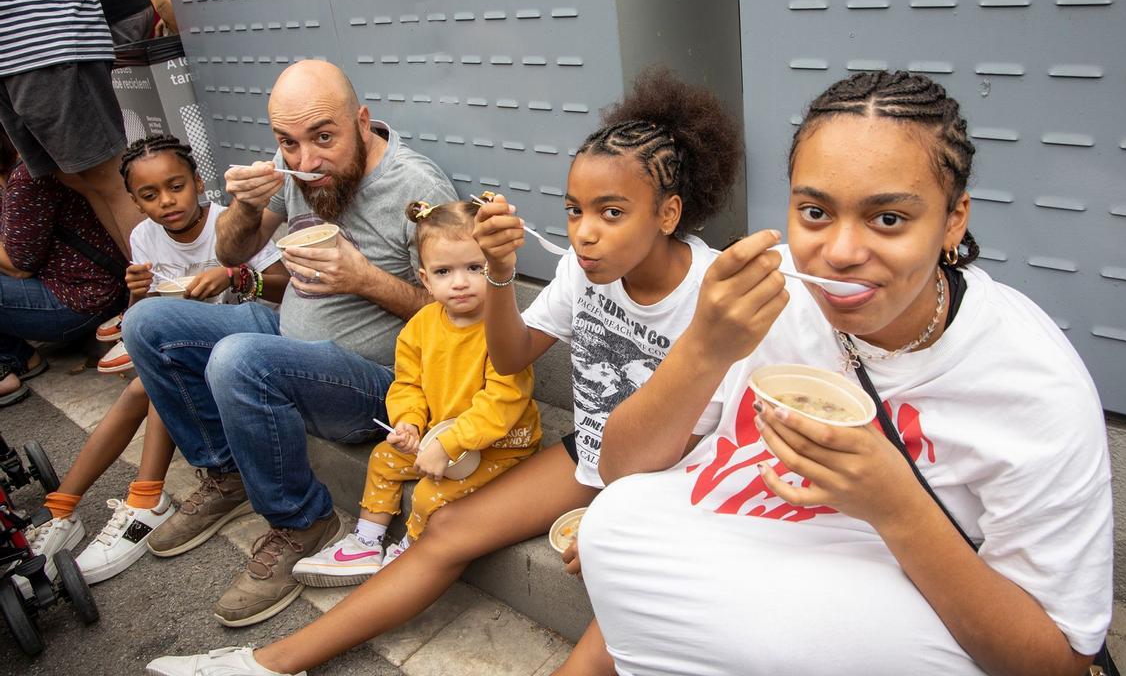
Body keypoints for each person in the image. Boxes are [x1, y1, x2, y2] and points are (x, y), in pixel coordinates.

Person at [146, 66, 744, 676]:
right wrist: (503, 273)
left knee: (615, 627)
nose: (584, 234)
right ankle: (268, 663)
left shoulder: (717, 292)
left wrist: (623, 516)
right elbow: (510, 357)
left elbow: (725, 441)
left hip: (670, 476)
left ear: (668, 214)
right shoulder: (580, 271)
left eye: (611, 212)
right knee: (448, 528)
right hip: (594, 452)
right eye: (573, 210)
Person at [581, 71, 1113, 675]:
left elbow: (1059, 664)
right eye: (815, 212)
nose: (839, 252)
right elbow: (621, 470)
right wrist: (703, 348)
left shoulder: (1031, 385)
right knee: (613, 523)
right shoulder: (765, 293)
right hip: (725, 559)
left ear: (953, 220)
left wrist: (896, 506)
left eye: (887, 219)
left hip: (879, 620)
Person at [123, 59, 456, 628]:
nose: (305, 162)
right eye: (288, 143)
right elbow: (232, 253)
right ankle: (226, 473)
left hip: (379, 384)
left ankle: (304, 521)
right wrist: (247, 208)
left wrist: (365, 279)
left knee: (239, 360)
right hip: (286, 339)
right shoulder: (297, 167)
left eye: (323, 138)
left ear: (362, 121)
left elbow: (460, 315)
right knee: (148, 324)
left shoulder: (416, 187)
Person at [23, 135, 289, 586]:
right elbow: (144, 318)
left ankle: (137, 500)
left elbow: (283, 286)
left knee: (149, 381)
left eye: (176, 186)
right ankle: (64, 510)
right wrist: (135, 294)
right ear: (134, 201)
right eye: (149, 195)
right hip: (191, 355)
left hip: (250, 342)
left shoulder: (227, 222)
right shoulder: (144, 236)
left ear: (197, 182)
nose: (167, 201)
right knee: (150, 373)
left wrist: (235, 274)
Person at [293, 200, 541, 586]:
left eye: (475, 268)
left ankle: (411, 550)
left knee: (428, 494)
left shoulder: (504, 329)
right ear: (425, 280)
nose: (460, 282)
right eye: (444, 271)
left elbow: (502, 402)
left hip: (501, 445)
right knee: (383, 458)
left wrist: (450, 444)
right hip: (439, 436)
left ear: (496, 270)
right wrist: (409, 423)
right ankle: (366, 542)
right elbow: (407, 382)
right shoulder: (422, 325)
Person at [0, 0, 143, 258]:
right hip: (17, 47)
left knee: (110, 176)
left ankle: (172, 303)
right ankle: (149, 294)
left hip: (44, 34)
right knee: (80, 177)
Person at [0, 132, 125, 409]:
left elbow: (19, 266)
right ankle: (18, 356)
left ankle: (11, 362)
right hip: (72, 287)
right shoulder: (14, 174)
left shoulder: (26, 176)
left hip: (82, 298)